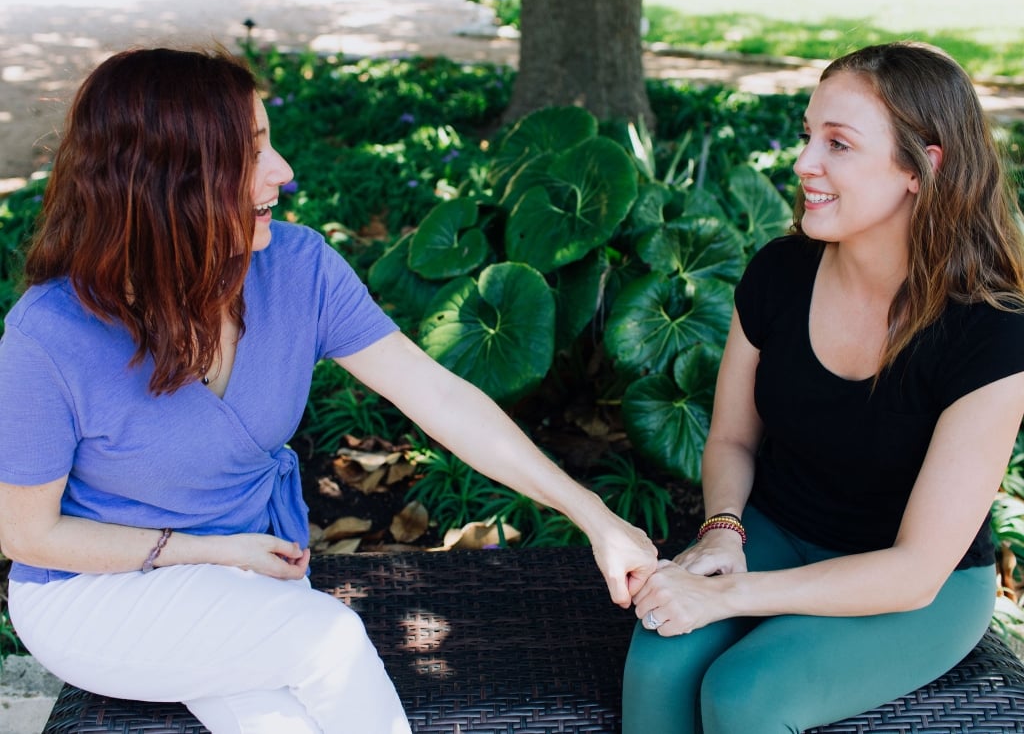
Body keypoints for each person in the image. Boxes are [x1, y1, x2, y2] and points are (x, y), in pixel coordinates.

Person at [0, 46, 658, 734]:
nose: (282, 171)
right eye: (250, 152)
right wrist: (209, 550)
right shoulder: (50, 335)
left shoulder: (297, 267)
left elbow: (440, 397)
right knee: (329, 642)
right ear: (165, 182)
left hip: (249, 577)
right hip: (95, 595)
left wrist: (598, 519)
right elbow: (28, 533)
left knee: (281, 721)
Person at [621, 40, 1024, 734]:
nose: (804, 162)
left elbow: (915, 569)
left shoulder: (991, 332)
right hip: (779, 529)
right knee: (658, 663)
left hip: (916, 586)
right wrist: (723, 530)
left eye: (838, 144)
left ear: (921, 169)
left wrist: (729, 597)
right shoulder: (779, 273)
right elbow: (732, 437)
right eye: (809, 136)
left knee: (745, 693)